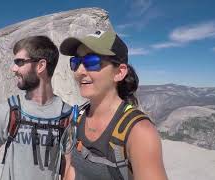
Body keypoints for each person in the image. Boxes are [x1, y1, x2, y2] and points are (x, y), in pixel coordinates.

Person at [59, 30, 168, 180]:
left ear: (119, 72)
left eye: (92, 62)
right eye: (75, 62)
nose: (79, 71)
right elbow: (72, 170)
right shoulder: (78, 118)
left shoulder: (139, 132)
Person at [0, 35, 72, 180]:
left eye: (19, 62)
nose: (13, 68)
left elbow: (68, 163)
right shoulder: (10, 109)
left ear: (41, 66)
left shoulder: (66, 115)